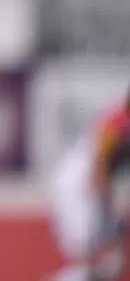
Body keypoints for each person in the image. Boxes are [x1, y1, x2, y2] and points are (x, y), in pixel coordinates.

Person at [50, 89, 130, 281]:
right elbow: (97, 169)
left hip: (86, 188)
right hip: (79, 188)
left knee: (109, 264)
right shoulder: (118, 120)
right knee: (88, 262)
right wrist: (113, 207)